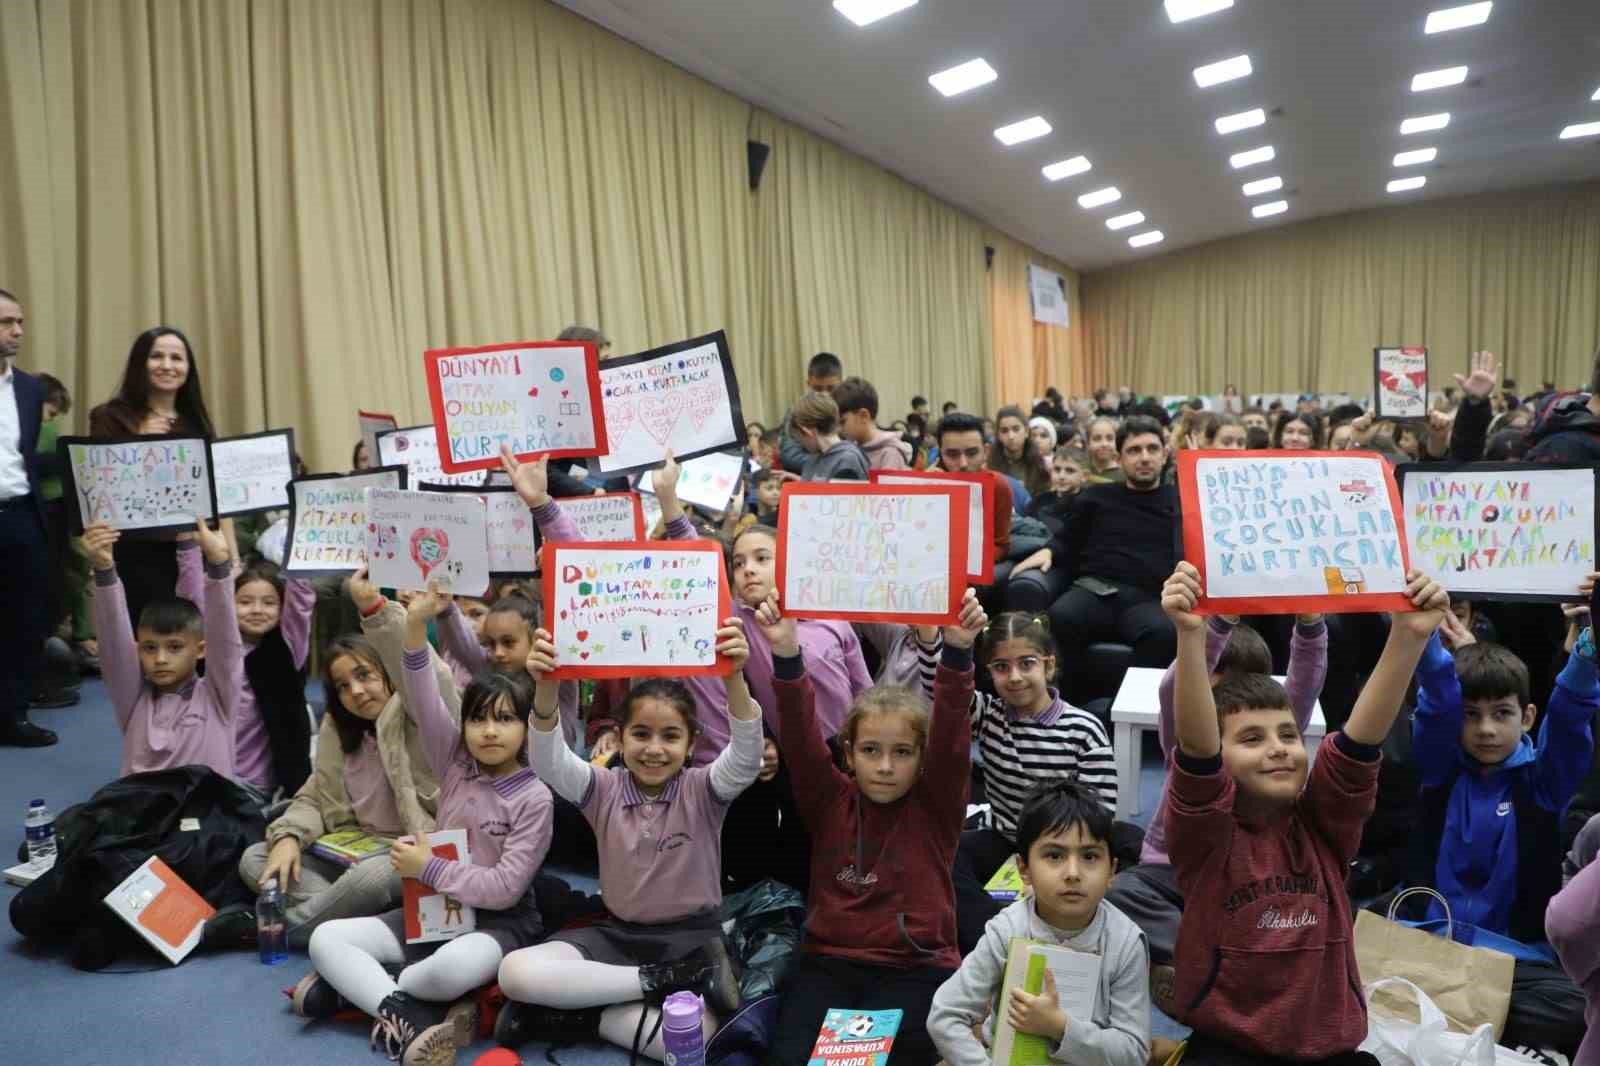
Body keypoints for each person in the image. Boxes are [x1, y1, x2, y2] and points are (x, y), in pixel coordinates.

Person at [1161, 560, 1448, 1063]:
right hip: (1230, 1047)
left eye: (1288, 735)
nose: (1277, 748)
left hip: (1329, 1048)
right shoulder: (1205, 836)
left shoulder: (1325, 827)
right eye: (1251, 739)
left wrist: (1408, 636)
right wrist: (1190, 636)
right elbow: (1198, 756)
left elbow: (1359, 745)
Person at [294, 585, 554, 1066]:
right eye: (477, 721)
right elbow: (420, 690)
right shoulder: (453, 760)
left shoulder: (535, 796)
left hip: (499, 925)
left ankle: (366, 991)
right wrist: (414, 626)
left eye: (503, 721)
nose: (489, 731)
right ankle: (405, 1011)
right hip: (431, 912)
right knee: (325, 938)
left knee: (454, 966)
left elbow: (502, 889)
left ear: (525, 729)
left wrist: (427, 867)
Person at [494, 620, 763, 1060]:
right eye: (641, 734)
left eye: (670, 736)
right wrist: (545, 687)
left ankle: (572, 1015)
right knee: (515, 972)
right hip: (617, 938)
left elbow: (747, 756)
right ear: (620, 738)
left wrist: (733, 676)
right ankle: (661, 980)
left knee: (694, 1040)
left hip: (694, 939)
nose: (654, 748)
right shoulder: (602, 788)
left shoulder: (705, 789)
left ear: (692, 743)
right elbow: (548, 760)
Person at [761, 588, 987, 1066]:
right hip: (829, 962)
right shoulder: (829, 799)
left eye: (902, 753)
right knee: (787, 1059)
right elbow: (800, 737)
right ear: (849, 755)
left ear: (922, 760)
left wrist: (959, 650)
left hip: (916, 967)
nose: (885, 766)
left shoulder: (937, 803)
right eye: (870, 751)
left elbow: (950, 730)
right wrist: (785, 651)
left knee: (861, 1061)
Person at [1106, 613, 1326, 992]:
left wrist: (1310, 627)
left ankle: (1214, 959)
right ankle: (1204, 957)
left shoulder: (1270, 731)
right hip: (1175, 871)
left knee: (1315, 907)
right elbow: (1175, 687)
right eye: (1215, 680)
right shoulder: (1189, 734)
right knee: (1121, 893)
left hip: (1245, 877)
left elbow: (1303, 687)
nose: (1226, 695)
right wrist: (1216, 626)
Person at [227, 577, 448, 949]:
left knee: (370, 880)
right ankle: (360, 917)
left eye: (364, 676)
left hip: (415, 852)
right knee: (257, 857)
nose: (356, 692)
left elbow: (428, 675)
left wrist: (376, 611)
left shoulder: (420, 717)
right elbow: (313, 797)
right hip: (352, 850)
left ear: (389, 675)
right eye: (342, 685)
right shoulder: (339, 730)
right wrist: (288, 837)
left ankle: (273, 929)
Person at [928, 612, 1120, 955]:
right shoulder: (988, 716)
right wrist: (934, 640)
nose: (1014, 677)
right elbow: (944, 692)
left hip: (1062, 842)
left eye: (1026, 663)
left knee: (1119, 859)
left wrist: (1052, 858)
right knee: (944, 855)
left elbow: (1100, 808)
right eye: (1001, 667)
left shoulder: (1084, 728)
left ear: (1048, 666)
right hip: (1005, 837)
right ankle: (994, 940)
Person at [928, 780, 1151, 1066]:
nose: (1073, 873)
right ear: (1024, 870)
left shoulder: (1126, 942)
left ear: (1112, 871)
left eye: (1090, 856)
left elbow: (1133, 1052)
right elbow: (945, 1015)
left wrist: (1060, 1027)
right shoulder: (1006, 930)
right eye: (1054, 856)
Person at [1012, 416, 1180, 668]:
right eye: (1134, 450)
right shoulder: (1097, 497)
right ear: (1120, 457)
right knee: (1059, 617)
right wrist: (1049, 551)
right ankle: (1065, 704)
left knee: (1164, 632)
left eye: (1152, 449)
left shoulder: (1181, 500)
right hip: (1095, 591)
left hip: (1150, 598)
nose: (1144, 457)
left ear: (1164, 454)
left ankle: (1131, 707)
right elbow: (1068, 538)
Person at [81, 519, 241, 777]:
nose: (161, 658)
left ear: (200, 650)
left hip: (205, 812)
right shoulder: (134, 702)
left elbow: (226, 644)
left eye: (175, 647)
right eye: (150, 648)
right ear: (137, 651)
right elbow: (114, 643)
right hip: (143, 812)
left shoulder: (217, 697)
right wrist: (104, 569)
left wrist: (219, 566)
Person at [88, 326, 218, 628]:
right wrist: (139, 441)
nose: (168, 365)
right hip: (134, 550)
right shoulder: (110, 416)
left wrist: (229, 557)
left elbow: (214, 492)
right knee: (139, 639)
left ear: (188, 368)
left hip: (191, 549)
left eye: (177, 358)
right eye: (157, 356)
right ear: (139, 363)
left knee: (190, 641)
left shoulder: (195, 423)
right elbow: (100, 486)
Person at [176, 550, 314, 797]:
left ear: (283, 609)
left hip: (255, 784)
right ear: (228, 604)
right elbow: (194, 599)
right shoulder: (214, 646)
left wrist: (302, 542)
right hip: (208, 772)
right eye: (245, 601)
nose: (257, 610)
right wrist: (187, 545)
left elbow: (301, 601)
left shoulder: (288, 648)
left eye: (269, 603)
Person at [0, 288, 61, 746]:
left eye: (19, 322)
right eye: (6, 323)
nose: (17, 331)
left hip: (22, 515)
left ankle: (13, 716)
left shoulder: (30, 388)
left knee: (25, 620)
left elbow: (24, 455)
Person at [934, 412, 1014, 582]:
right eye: (952, 455)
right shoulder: (923, 485)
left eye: (971, 453)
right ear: (940, 453)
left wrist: (965, 564)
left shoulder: (998, 486)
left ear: (986, 451)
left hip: (970, 571)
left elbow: (1001, 544)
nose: (963, 463)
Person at [778, 352, 844, 472]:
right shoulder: (797, 413)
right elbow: (790, 457)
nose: (825, 395)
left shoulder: (849, 409)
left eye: (831, 388)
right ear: (809, 384)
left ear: (841, 383)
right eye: (818, 389)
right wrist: (836, 463)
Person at [833, 376, 911, 470]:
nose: (839, 429)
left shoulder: (890, 454)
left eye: (842, 422)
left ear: (863, 416)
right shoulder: (851, 451)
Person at [790, 390, 869, 481]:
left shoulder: (846, 460)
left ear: (807, 431)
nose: (802, 445)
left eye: (800, 439)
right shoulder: (816, 458)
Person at [1025, 445, 1087, 537]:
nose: (1061, 476)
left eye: (1070, 471)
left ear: (1084, 476)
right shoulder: (1038, 502)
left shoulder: (1089, 504)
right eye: (1057, 470)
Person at [989, 406, 1049, 496]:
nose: (1011, 436)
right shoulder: (989, 466)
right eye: (1004, 431)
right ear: (998, 435)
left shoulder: (1039, 465)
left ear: (1026, 432)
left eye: (1016, 429)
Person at [1084, 416, 1122, 483]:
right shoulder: (1079, 470)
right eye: (1097, 439)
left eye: (1110, 438)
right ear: (1088, 443)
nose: (1104, 444)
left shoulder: (1124, 475)